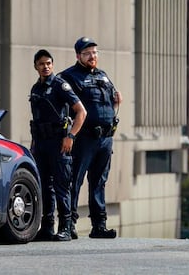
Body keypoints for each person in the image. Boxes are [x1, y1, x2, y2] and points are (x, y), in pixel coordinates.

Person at [59, 37, 122, 239]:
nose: (92, 56)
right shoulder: (69, 77)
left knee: (99, 182)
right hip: (84, 139)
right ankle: (69, 224)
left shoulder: (103, 76)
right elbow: (64, 107)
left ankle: (99, 226)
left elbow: (111, 102)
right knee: (73, 181)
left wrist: (116, 103)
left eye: (94, 52)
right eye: (87, 53)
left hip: (105, 139)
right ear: (78, 56)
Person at [29, 49, 87, 241]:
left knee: (62, 186)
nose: (45, 67)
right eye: (41, 64)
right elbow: (36, 120)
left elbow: (81, 112)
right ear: (36, 67)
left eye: (48, 63)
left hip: (59, 143)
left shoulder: (60, 86)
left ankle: (66, 227)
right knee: (45, 186)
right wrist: (34, 145)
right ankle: (47, 227)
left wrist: (71, 136)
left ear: (52, 65)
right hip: (41, 144)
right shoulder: (35, 89)